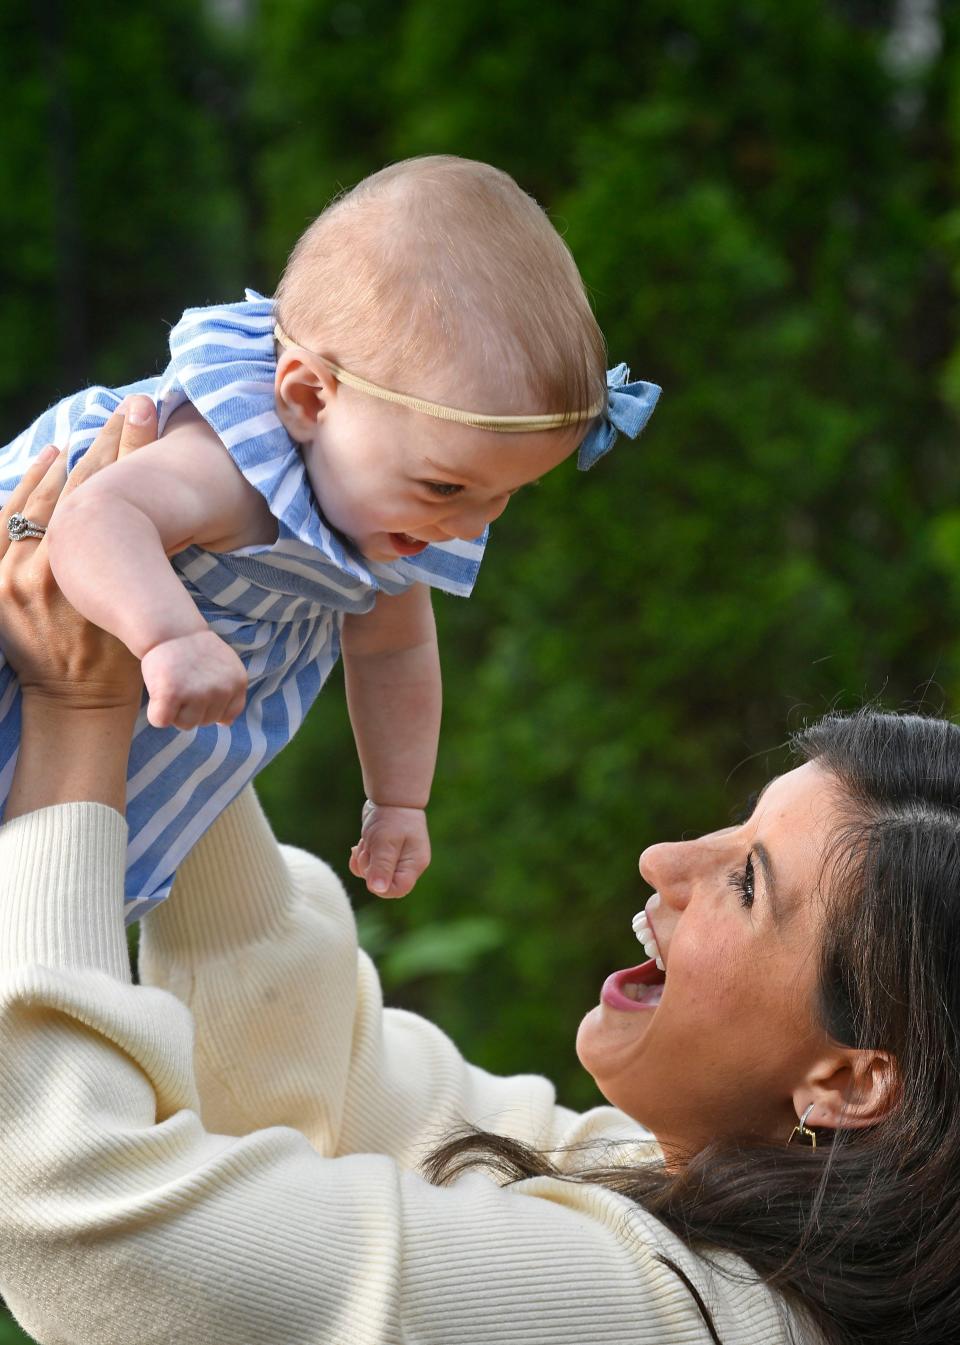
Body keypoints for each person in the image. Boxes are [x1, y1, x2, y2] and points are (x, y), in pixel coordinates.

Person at [1, 413, 955, 1345]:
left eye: (748, 884)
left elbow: (91, 1217)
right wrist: (171, 664)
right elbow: (324, 1081)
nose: (664, 861)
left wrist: (79, 710)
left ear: (851, 1080)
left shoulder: (670, 1313)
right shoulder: (681, 1186)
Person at [0, 155, 660, 920]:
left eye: (507, 494)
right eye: (447, 486)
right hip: (25, 665)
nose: (472, 524)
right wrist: (170, 636)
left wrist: (398, 800)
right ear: (309, 395)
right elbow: (95, 518)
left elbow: (395, 651)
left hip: (106, 749)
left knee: (49, 912)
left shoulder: (385, 518)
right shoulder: (229, 465)